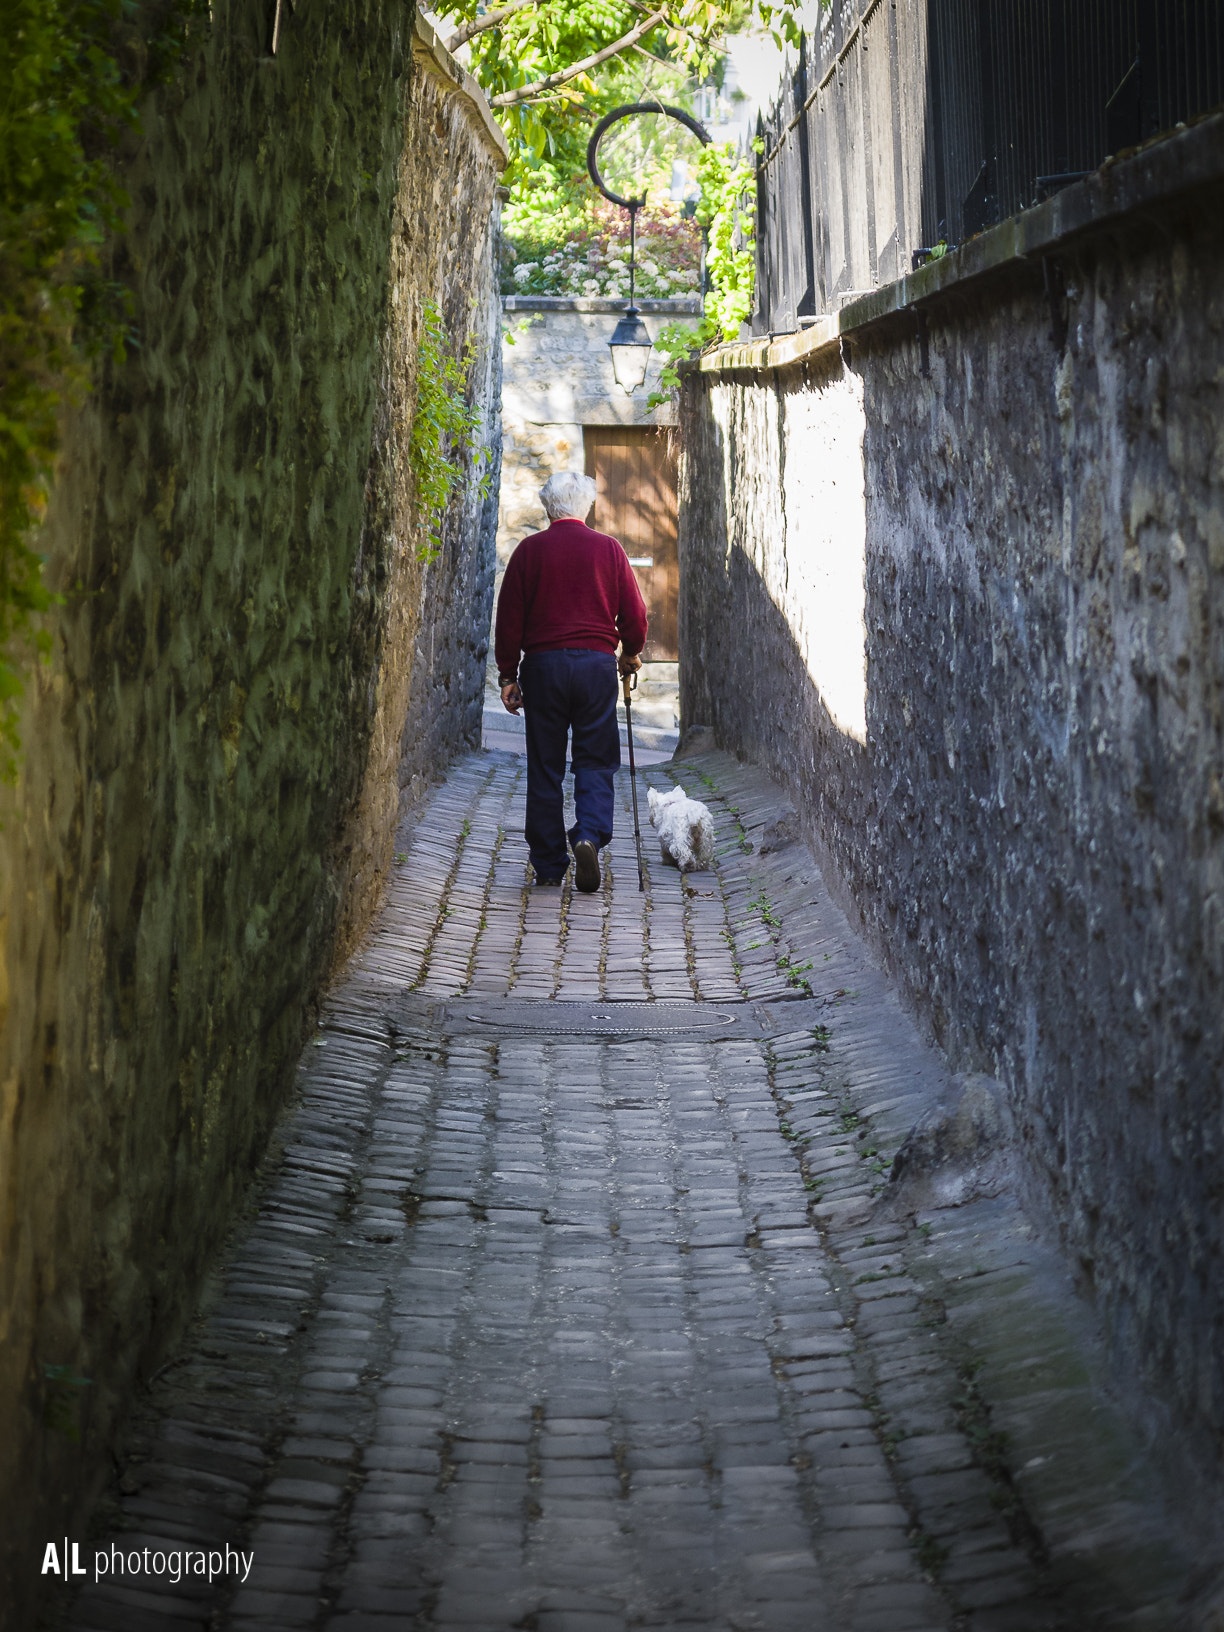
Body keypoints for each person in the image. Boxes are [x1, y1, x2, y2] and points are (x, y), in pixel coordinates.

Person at [495, 471, 648, 892]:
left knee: (545, 765)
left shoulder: (529, 552)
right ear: (587, 507)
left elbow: (509, 618)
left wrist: (508, 673)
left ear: (548, 508)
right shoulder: (609, 550)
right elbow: (635, 615)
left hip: (543, 668)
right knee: (595, 758)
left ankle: (547, 863)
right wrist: (630, 651)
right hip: (596, 667)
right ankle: (588, 835)